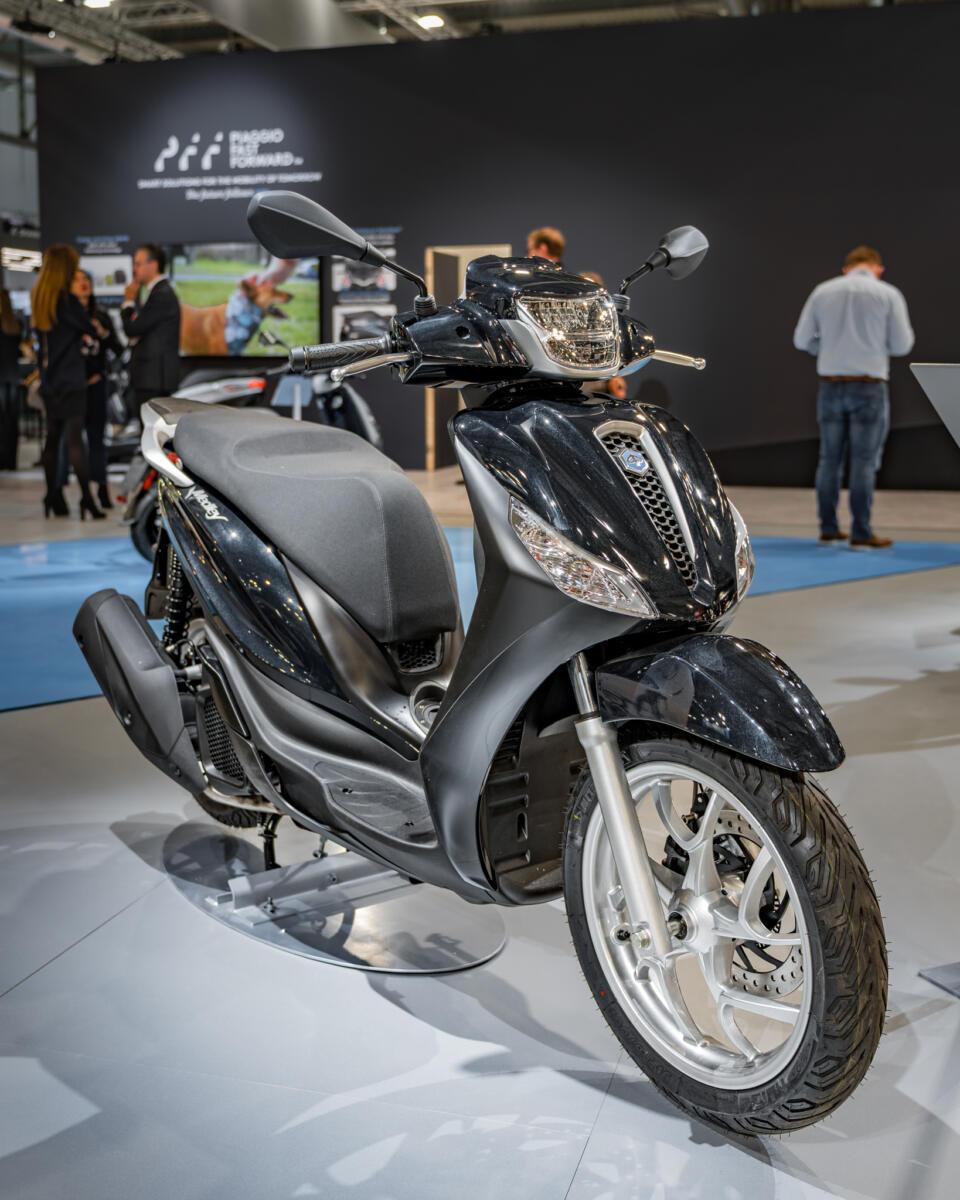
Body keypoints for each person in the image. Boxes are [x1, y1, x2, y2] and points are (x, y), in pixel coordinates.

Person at [794, 245, 914, 549]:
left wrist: (825, 348)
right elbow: (902, 345)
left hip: (830, 385)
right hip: (870, 386)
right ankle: (861, 532)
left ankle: (828, 528)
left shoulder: (823, 291)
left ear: (846, 269)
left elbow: (801, 340)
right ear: (878, 269)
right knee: (864, 461)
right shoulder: (888, 294)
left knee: (829, 459)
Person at [31, 244, 104, 519]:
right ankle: (87, 499)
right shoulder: (68, 302)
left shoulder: (41, 299)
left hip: (50, 381)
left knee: (52, 440)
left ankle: (52, 497)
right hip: (72, 379)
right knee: (75, 441)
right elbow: (89, 328)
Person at [57, 269, 122, 508]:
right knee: (68, 442)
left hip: (96, 386)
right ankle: (58, 492)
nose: (83, 283)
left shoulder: (101, 315)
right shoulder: (64, 316)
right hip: (72, 388)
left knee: (97, 440)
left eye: (86, 279)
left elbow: (117, 348)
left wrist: (103, 333)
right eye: (77, 280)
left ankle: (101, 489)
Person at [121, 243, 181, 422]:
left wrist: (128, 302)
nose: (134, 269)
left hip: (153, 378)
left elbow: (132, 329)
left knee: (151, 430)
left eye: (138, 264)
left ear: (153, 265)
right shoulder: (159, 291)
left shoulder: (161, 294)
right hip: (153, 377)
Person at [0, 288, 23, 470]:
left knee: (3, 420)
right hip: (13, 376)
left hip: (3, 377)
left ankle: (2, 459)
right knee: (12, 420)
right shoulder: (15, 324)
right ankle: (11, 460)